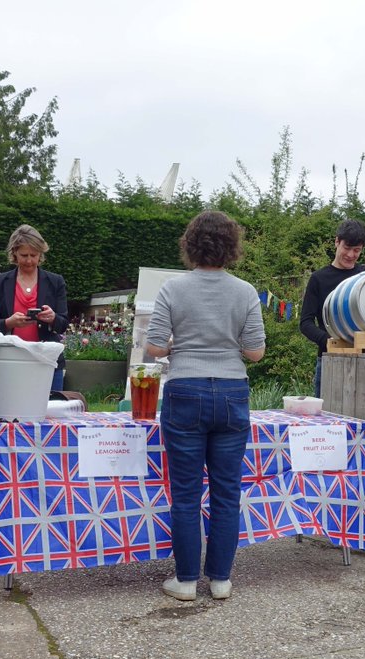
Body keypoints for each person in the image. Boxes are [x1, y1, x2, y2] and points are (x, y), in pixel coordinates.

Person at [146, 210, 266, 601]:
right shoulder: (245, 292)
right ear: (232, 246)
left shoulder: (172, 289)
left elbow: (155, 347)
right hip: (232, 391)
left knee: (185, 492)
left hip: (184, 390)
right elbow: (255, 353)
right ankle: (220, 580)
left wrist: (181, 345)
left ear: (190, 245)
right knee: (226, 491)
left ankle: (183, 582)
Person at [0, 224, 69, 392]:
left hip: (47, 362)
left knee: (50, 414)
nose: (29, 260)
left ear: (41, 254)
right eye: (24, 255)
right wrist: (9, 322)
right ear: (14, 253)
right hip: (9, 361)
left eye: (34, 255)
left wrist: (52, 318)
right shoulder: (0, 282)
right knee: (11, 415)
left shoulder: (55, 281)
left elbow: (63, 323)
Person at [299, 219, 365, 397]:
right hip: (329, 360)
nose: (351, 255)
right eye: (347, 248)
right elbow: (305, 323)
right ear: (337, 242)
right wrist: (328, 341)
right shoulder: (318, 278)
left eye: (357, 250)